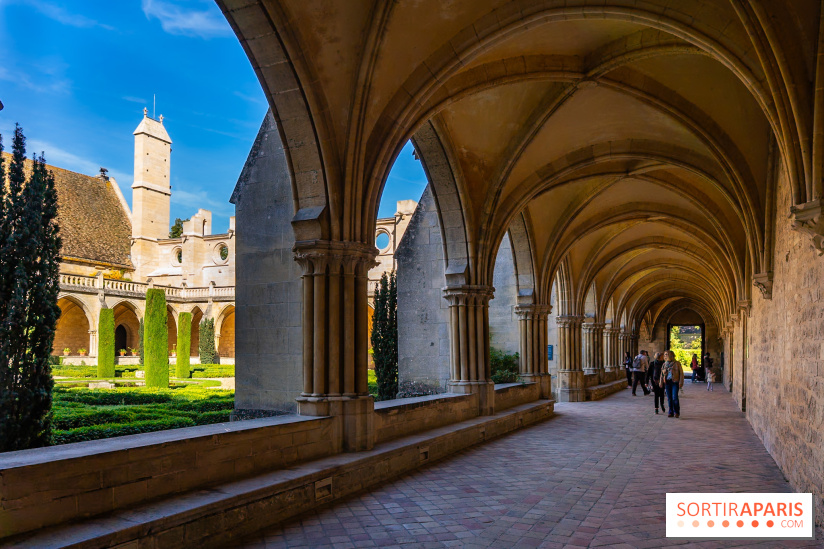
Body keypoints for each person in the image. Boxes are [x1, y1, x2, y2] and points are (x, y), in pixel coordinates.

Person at [659, 349, 684, 418]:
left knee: (674, 397)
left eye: (666, 354)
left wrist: (681, 382)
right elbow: (662, 374)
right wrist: (661, 382)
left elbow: (681, 373)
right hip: (667, 382)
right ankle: (671, 412)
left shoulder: (677, 363)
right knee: (669, 398)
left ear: (671, 355)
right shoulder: (665, 364)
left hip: (675, 382)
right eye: (665, 355)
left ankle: (676, 412)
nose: (665, 356)